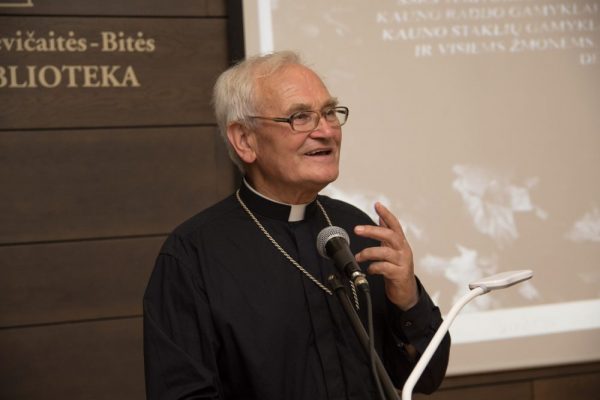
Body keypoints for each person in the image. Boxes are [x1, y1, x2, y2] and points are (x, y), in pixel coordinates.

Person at [143, 51, 450, 400]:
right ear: (245, 140)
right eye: (300, 117)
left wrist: (408, 300)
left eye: (329, 112)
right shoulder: (192, 255)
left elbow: (425, 378)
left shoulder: (356, 229)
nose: (326, 131)